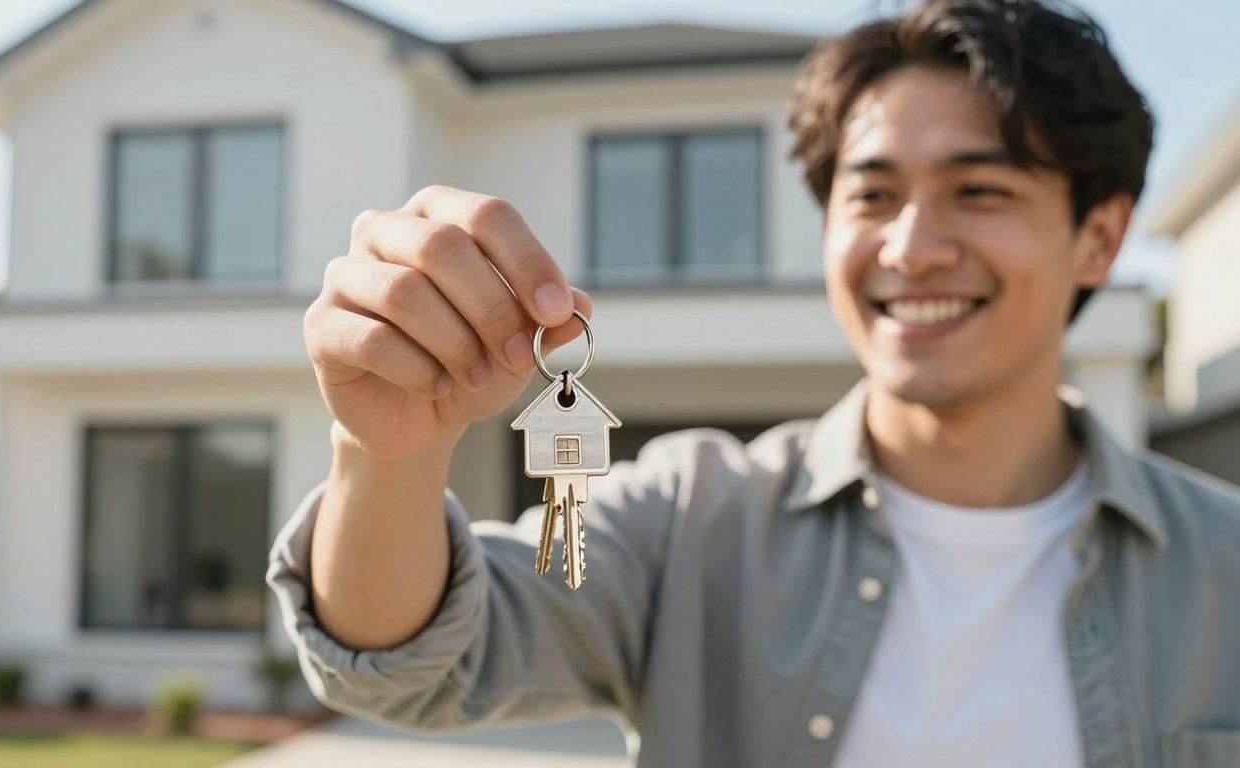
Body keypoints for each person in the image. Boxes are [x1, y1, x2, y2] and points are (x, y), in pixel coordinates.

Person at [269, 0, 1240, 765]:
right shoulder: (690, 518)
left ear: (1100, 237)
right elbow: (407, 664)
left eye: (978, 191)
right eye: (871, 195)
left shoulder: (1223, 571)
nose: (911, 246)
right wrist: (385, 454)